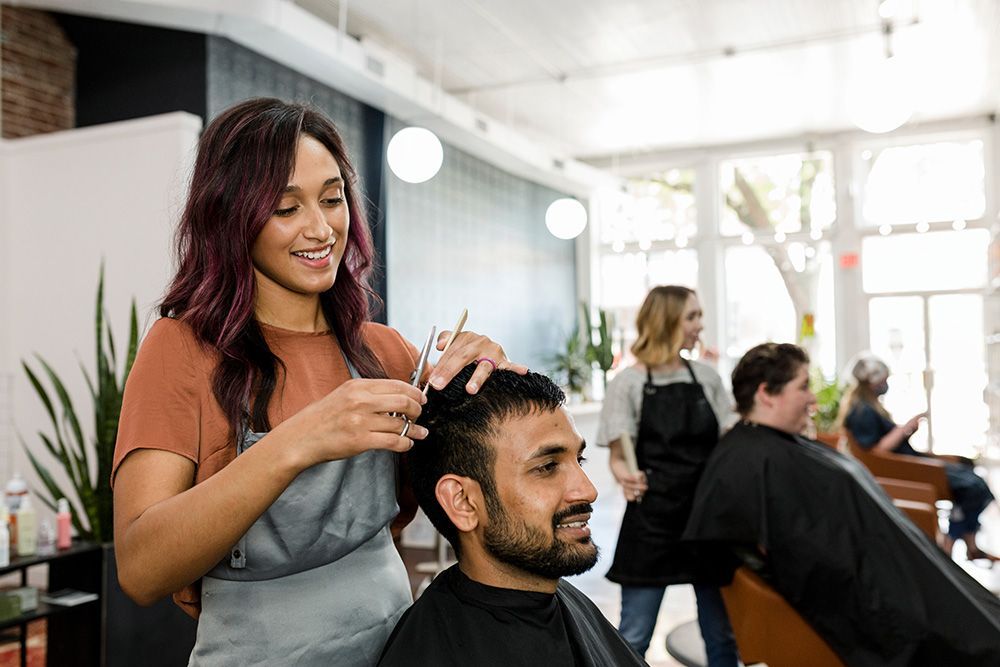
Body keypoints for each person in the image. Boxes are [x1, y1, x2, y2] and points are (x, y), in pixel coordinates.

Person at [111, 98, 524, 666]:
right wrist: (300, 440)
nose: (321, 227)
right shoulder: (181, 351)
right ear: (232, 217)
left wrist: (481, 385)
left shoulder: (383, 350)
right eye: (286, 208)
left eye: (333, 199)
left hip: (394, 646)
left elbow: (467, 499)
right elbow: (140, 569)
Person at [684, 343, 1000, 667]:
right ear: (767, 393)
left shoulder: (768, 447)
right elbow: (806, 555)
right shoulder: (753, 460)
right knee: (967, 637)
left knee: (968, 614)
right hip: (872, 593)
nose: (813, 398)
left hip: (889, 572)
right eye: (803, 386)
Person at [377, 364, 647, 666]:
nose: (588, 490)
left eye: (579, 459)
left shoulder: (562, 600)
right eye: (546, 467)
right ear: (463, 501)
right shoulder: (428, 652)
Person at [596, 285, 738, 665]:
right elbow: (617, 456)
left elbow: (728, 441)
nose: (699, 325)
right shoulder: (628, 383)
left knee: (722, 637)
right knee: (634, 636)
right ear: (667, 321)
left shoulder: (707, 378)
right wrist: (626, 475)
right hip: (652, 522)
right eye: (692, 316)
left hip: (706, 521)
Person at [840, 353, 997, 561]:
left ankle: (969, 544)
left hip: (912, 462)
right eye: (884, 380)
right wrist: (905, 429)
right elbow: (877, 451)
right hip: (907, 469)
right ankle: (949, 543)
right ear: (872, 381)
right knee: (973, 486)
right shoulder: (863, 412)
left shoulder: (868, 407)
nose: (886, 384)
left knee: (970, 471)